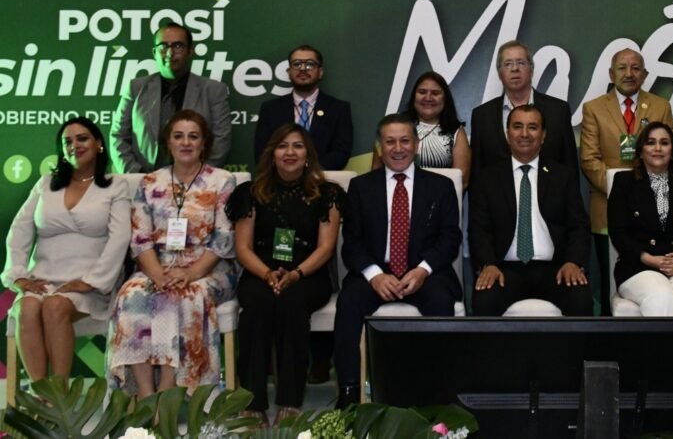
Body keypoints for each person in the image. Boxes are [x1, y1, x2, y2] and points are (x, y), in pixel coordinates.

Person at [333, 114, 462, 408]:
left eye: (405, 140)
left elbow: (450, 238)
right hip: (376, 273)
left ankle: (436, 394)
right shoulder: (361, 187)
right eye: (390, 142)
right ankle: (349, 393)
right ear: (380, 148)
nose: (398, 148)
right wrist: (374, 275)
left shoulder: (440, 186)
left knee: (441, 302)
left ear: (416, 145)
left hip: (424, 272)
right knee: (348, 303)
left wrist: (423, 270)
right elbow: (352, 243)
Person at [107, 110, 237, 398]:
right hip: (157, 266)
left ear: (204, 143)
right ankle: (145, 393)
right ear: (168, 142)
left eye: (193, 136)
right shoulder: (150, 182)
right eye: (179, 136)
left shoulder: (222, 181)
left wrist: (190, 273)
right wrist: (158, 275)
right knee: (131, 295)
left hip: (208, 269)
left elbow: (224, 238)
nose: (186, 143)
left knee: (182, 295)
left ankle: (167, 391)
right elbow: (140, 239)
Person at [2, 117, 131, 385]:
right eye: (67, 142)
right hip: (43, 280)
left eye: (82, 139)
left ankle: (60, 394)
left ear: (99, 144)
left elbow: (120, 238)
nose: (74, 146)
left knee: (55, 306)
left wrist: (91, 281)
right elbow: (19, 231)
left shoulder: (115, 186)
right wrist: (18, 276)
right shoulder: (46, 183)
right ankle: (41, 393)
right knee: (26, 306)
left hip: (90, 285)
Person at [229, 124, 343, 426]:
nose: (290, 152)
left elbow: (326, 247)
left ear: (308, 154)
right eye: (282, 146)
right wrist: (268, 274)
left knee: (292, 303)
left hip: (308, 274)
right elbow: (242, 248)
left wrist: (296, 274)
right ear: (272, 154)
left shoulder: (327, 193)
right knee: (258, 305)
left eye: (297, 146)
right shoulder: (250, 193)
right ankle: (252, 403)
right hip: (259, 270)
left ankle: (290, 401)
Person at [470, 104, 593, 317]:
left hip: (555, 269)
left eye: (533, 127)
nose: (525, 134)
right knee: (485, 298)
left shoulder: (562, 176)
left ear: (543, 135)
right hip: (504, 269)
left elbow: (578, 226)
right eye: (517, 126)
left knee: (579, 297)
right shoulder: (488, 178)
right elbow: (479, 229)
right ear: (508, 133)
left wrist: (573, 262)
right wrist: (488, 264)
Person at [580, 48, 673, 314]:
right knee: (609, 281)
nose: (629, 74)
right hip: (606, 209)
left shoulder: (661, 106)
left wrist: (644, 196)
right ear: (611, 74)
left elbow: (668, 157)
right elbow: (589, 160)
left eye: (635, 68)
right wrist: (625, 194)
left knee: (653, 279)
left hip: (655, 212)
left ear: (644, 74)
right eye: (622, 68)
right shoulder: (594, 108)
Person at [606, 122, 673, 316]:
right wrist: (650, 260)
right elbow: (619, 234)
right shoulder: (624, 183)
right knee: (661, 295)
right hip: (639, 266)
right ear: (640, 151)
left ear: (672, 151)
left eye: (664, 143)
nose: (657, 148)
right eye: (650, 142)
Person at [110, 22, 232, 173]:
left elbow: (221, 141)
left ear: (190, 51)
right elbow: (118, 137)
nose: (169, 53)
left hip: (197, 182)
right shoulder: (136, 88)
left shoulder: (213, 90)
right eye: (163, 47)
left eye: (178, 46)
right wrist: (138, 176)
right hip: (142, 179)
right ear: (154, 52)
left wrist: (198, 177)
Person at [469, 40, 579, 178]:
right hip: (497, 191)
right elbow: (476, 172)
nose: (515, 69)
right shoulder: (482, 116)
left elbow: (570, 167)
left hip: (548, 191)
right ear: (500, 73)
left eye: (521, 63)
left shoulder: (558, 111)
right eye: (508, 64)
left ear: (531, 69)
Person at [253, 44, 354, 170]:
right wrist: (288, 172)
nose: (303, 69)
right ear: (289, 72)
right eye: (296, 64)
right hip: (280, 178)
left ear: (320, 72)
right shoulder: (271, 109)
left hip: (322, 177)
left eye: (310, 64)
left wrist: (307, 170)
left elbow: (341, 153)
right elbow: (262, 153)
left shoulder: (338, 109)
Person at [372, 71, 471, 187]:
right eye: (422, 92)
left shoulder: (456, 131)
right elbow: (376, 171)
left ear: (445, 98)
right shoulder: (394, 125)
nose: (428, 98)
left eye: (435, 93)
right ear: (414, 96)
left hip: (439, 197)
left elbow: (461, 182)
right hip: (396, 195)